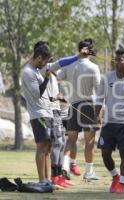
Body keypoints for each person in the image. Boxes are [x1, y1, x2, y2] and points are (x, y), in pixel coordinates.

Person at [21, 42, 81, 185]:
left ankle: (47, 179)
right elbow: (36, 94)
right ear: (39, 57)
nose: (47, 64)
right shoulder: (28, 72)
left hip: (46, 112)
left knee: (48, 146)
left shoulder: (36, 70)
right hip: (38, 114)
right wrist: (47, 77)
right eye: (46, 61)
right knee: (42, 146)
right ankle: (42, 179)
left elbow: (60, 64)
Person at [97, 48, 124, 194]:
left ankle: (121, 184)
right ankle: (115, 177)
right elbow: (99, 98)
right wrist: (96, 114)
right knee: (105, 153)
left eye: (120, 60)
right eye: (115, 59)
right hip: (108, 123)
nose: (117, 62)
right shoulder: (106, 78)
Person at [57, 38, 101, 181]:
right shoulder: (93, 67)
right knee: (89, 141)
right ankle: (89, 172)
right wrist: (99, 111)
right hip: (88, 104)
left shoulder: (69, 66)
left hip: (73, 105)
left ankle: (65, 165)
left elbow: (56, 77)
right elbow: (98, 90)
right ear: (89, 50)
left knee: (71, 140)